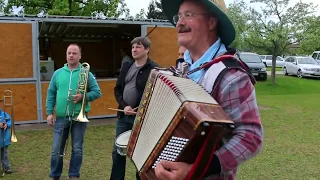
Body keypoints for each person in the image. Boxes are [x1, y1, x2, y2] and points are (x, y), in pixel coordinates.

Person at [155, 0, 263, 179]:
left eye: (188, 15)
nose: (179, 23)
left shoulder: (231, 75)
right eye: (179, 16)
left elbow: (251, 137)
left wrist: (196, 169)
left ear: (212, 23)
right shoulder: (182, 69)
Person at [46, 44, 102, 180]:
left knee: (77, 149)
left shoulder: (86, 73)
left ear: (80, 56)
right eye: (69, 53)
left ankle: (74, 175)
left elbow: (97, 92)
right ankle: (55, 175)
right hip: (61, 117)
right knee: (56, 150)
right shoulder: (57, 73)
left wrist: (84, 97)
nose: (71, 55)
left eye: (74, 53)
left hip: (79, 117)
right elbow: (51, 93)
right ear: (66, 55)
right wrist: (49, 112)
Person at [110, 37, 158, 180]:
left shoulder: (154, 69)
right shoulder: (126, 66)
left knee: (140, 154)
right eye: (133, 47)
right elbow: (117, 89)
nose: (134, 50)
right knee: (118, 152)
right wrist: (125, 106)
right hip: (124, 117)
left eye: (138, 47)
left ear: (147, 49)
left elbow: (156, 93)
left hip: (141, 119)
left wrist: (141, 108)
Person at [0, 109, 13, 174]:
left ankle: (6, 168)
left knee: (4, 154)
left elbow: (9, 121)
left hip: (4, 139)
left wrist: (7, 124)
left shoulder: (4, 114)